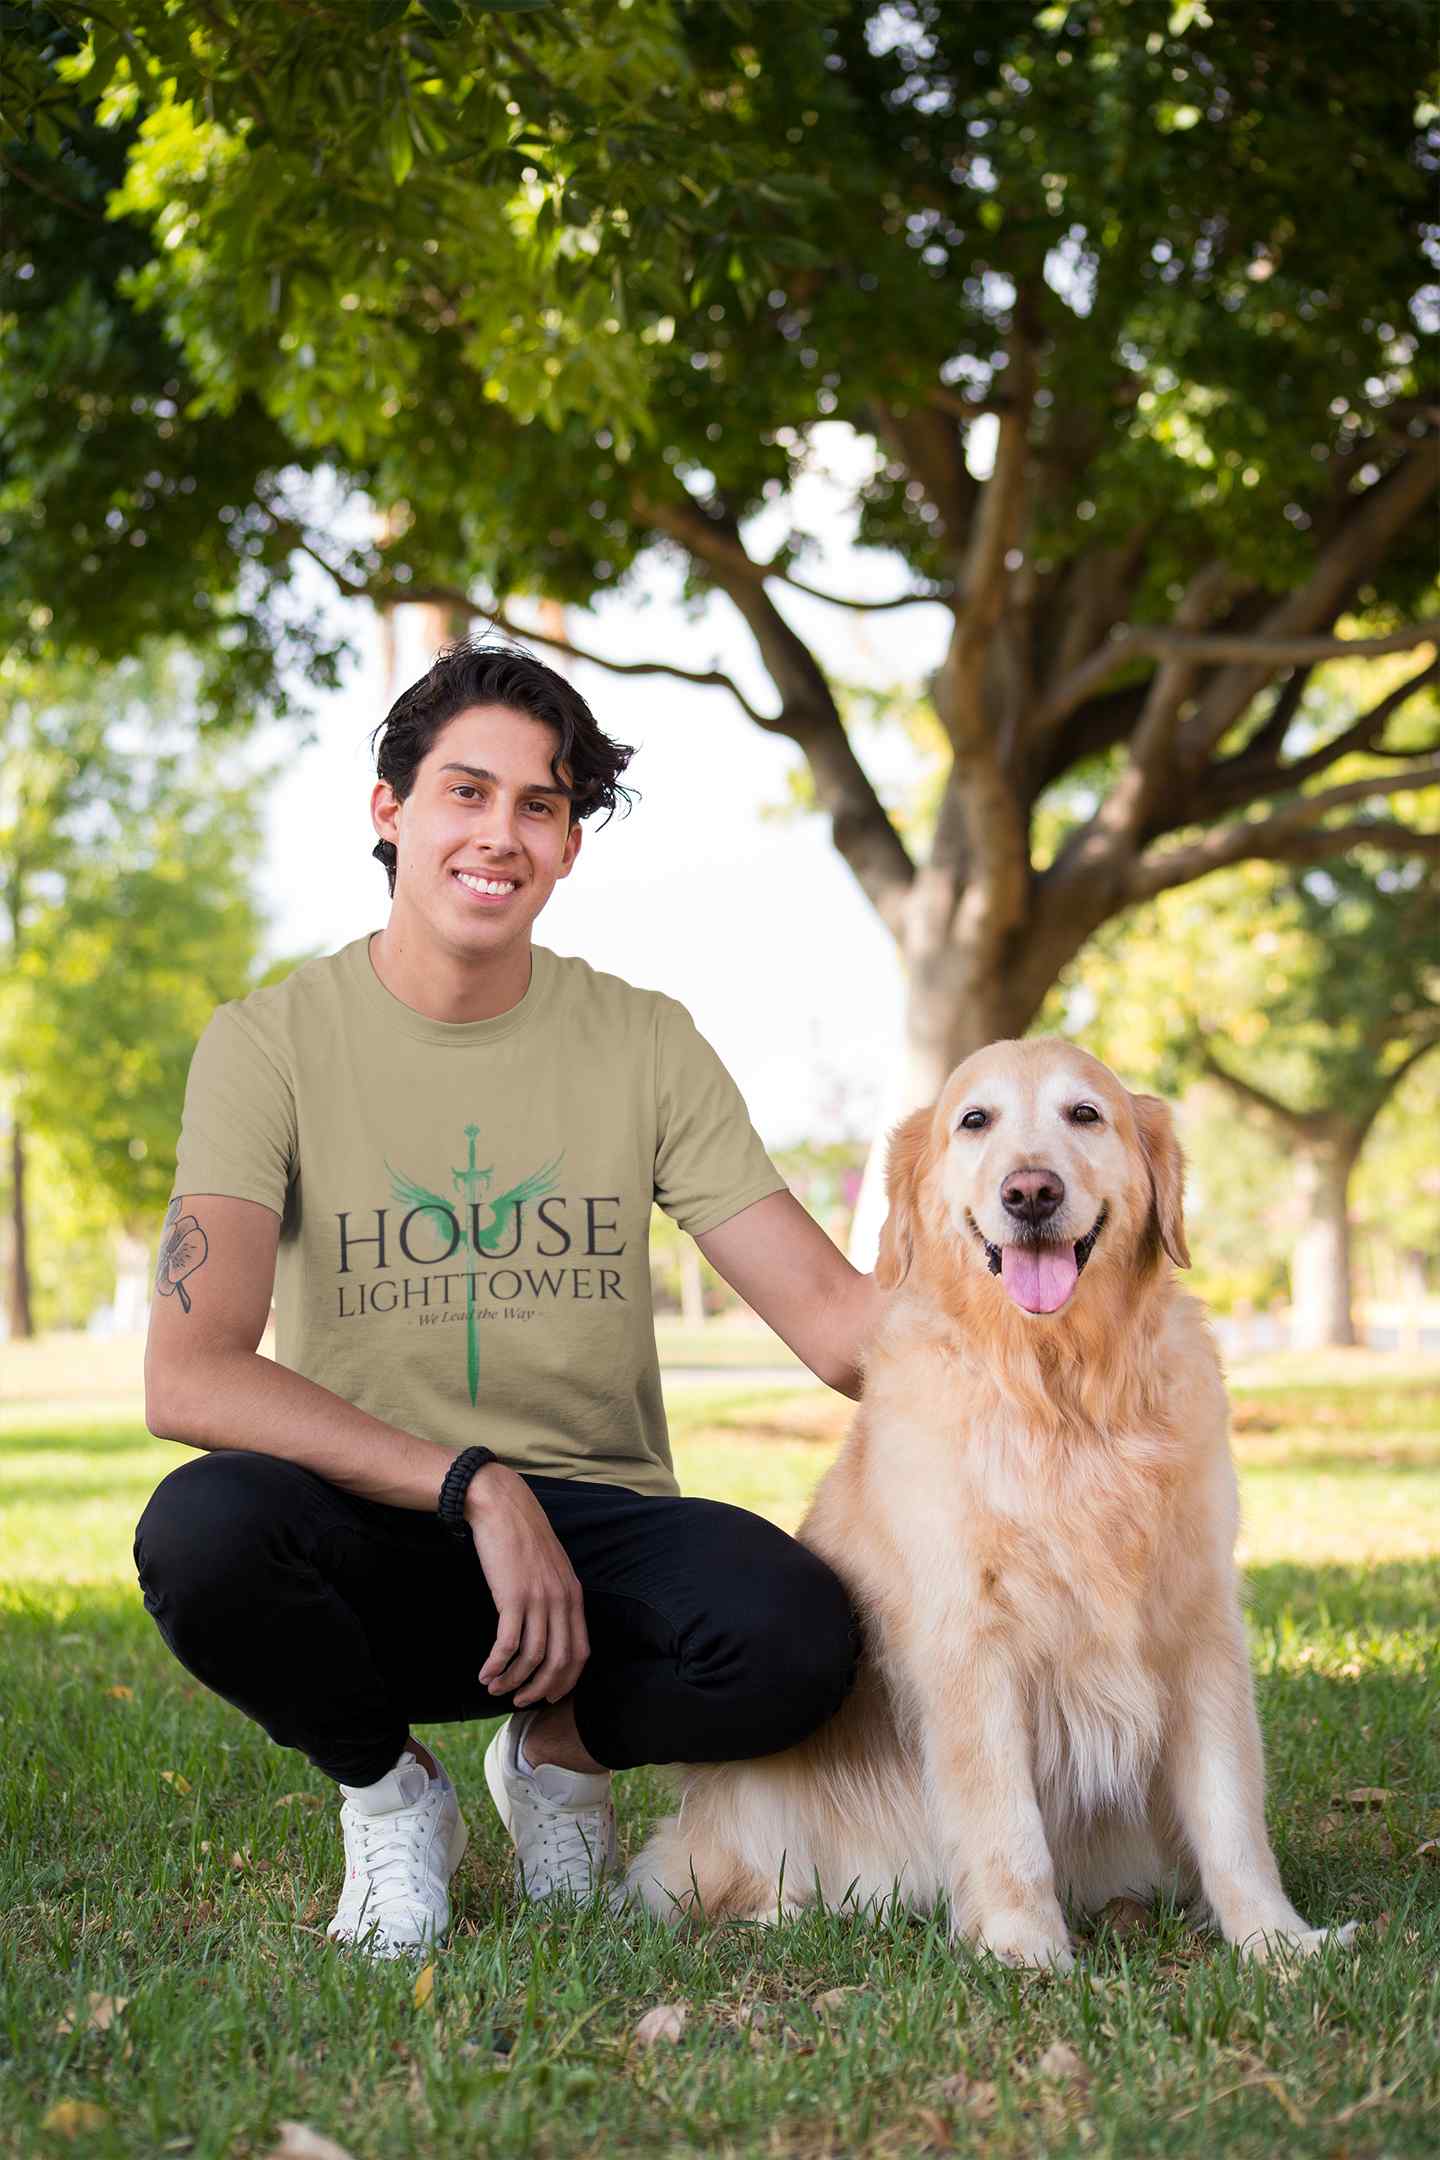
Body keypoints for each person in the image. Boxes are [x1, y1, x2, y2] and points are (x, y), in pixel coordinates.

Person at [135, 639, 881, 1961]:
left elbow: (836, 1324)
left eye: (542, 805)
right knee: (202, 1534)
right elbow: (189, 1375)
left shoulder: (645, 1040)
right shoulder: (268, 1044)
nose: (502, 834)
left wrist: (1052, 1296)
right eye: (466, 793)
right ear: (391, 812)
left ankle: (558, 1752)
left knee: (800, 1637)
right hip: (374, 1519)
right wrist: (475, 1483)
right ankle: (391, 1789)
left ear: (572, 844)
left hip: (595, 1548)